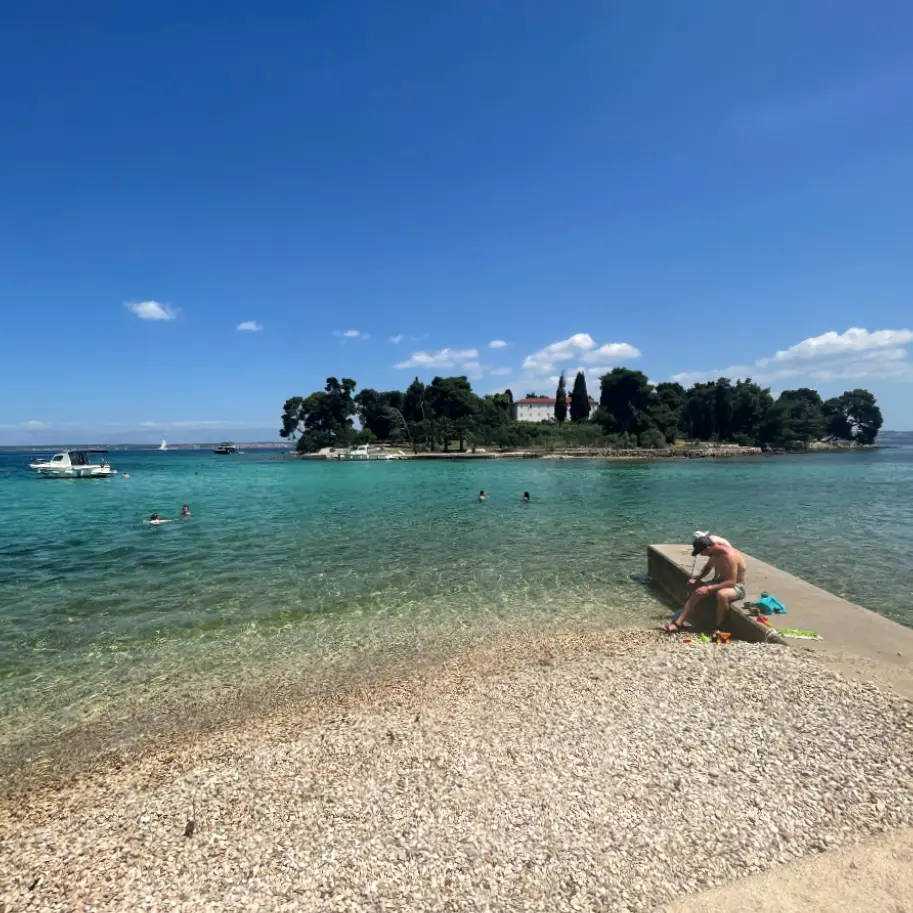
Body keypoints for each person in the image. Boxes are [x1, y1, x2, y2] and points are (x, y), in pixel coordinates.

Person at [667, 536, 746, 633]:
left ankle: (719, 627)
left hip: (736, 586)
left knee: (722, 595)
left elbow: (731, 582)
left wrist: (709, 588)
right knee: (697, 592)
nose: (701, 554)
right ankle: (678, 624)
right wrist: (697, 579)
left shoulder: (729, 556)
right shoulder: (714, 553)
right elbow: (708, 568)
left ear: (708, 549)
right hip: (720, 581)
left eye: (701, 552)